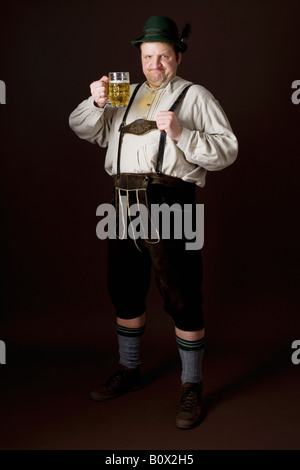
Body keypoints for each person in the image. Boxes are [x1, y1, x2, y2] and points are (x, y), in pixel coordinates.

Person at [69, 15, 238, 429]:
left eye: (163, 56)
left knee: (181, 294)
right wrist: (96, 102)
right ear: (140, 58)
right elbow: (81, 128)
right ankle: (130, 371)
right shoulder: (122, 94)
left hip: (171, 201)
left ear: (178, 57)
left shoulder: (195, 96)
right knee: (124, 289)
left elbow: (227, 150)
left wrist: (182, 134)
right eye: (148, 56)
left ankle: (191, 385)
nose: (155, 64)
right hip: (123, 201)